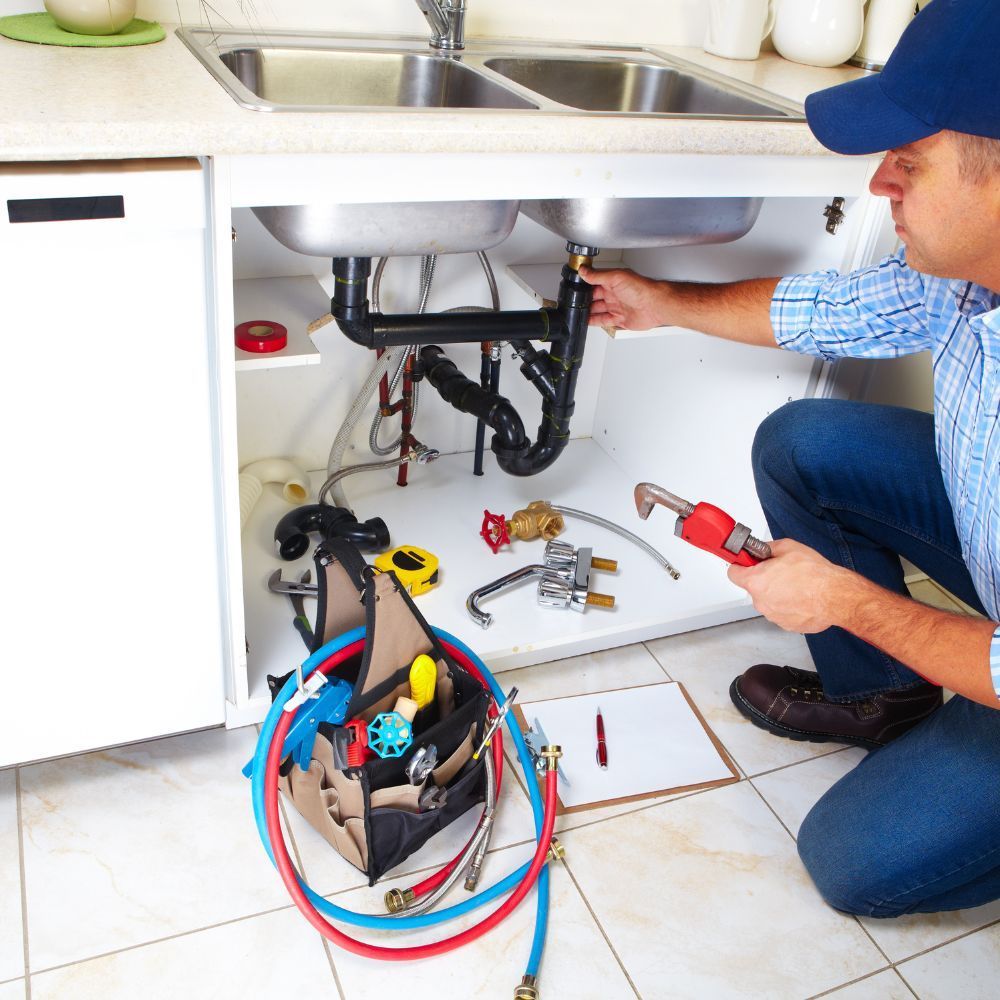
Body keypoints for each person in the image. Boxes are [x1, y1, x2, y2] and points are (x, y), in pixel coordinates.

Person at [579, 0, 1000, 918]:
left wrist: (850, 602)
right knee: (806, 444)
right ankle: (885, 696)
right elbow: (829, 311)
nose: (881, 183)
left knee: (853, 862)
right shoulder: (966, 275)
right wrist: (660, 301)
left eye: (910, 161)